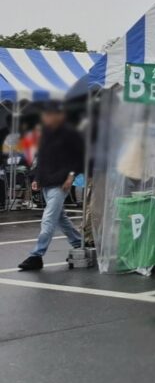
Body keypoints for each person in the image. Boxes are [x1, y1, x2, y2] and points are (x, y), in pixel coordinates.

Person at [18, 104, 85, 271]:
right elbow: (41, 158)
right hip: (47, 182)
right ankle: (78, 242)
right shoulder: (46, 133)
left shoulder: (69, 133)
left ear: (59, 116)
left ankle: (36, 255)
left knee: (48, 219)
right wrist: (37, 178)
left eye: (48, 115)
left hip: (61, 183)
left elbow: (79, 157)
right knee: (60, 218)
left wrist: (71, 175)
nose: (45, 118)